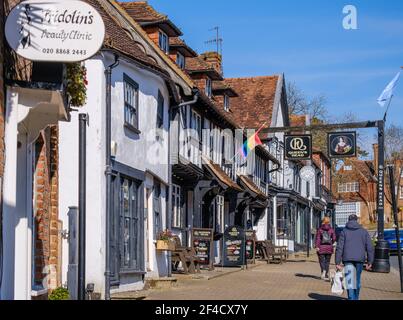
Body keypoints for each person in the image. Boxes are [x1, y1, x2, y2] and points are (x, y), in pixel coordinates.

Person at [335, 214, 374, 300]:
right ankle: (356, 298)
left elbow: (339, 247)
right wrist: (370, 262)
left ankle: (351, 298)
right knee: (357, 279)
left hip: (347, 259)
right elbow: (370, 247)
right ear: (357, 221)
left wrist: (337, 262)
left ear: (348, 220)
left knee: (350, 280)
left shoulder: (344, 231)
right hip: (360, 259)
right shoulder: (364, 231)